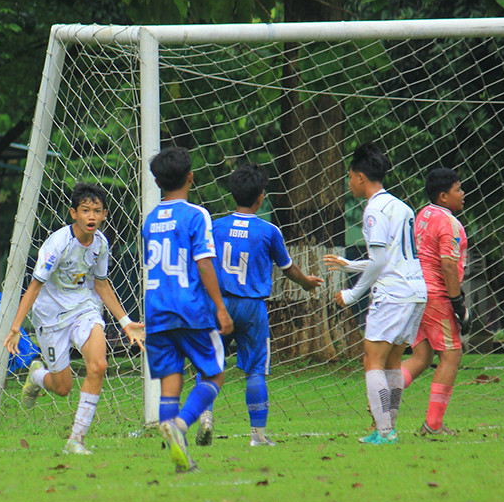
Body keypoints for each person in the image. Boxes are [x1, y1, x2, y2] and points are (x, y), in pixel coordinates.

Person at [4, 183, 145, 456]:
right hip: (51, 317)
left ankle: (76, 440)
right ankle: (37, 376)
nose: (91, 217)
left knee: (99, 364)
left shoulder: (101, 244)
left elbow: (102, 285)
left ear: (104, 215)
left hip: (84, 309)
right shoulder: (57, 244)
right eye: (85, 211)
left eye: (97, 211)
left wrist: (126, 322)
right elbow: (33, 287)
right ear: (73, 213)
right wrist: (16, 326)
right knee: (63, 388)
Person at [200, 163, 323, 448]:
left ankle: (206, 416)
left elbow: (203, 263)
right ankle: (257, 436)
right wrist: (305, 283)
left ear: (232, 194)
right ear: (261, 197)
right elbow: (288, 268)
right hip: (252, 308)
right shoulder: (268, 231)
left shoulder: (215, 227)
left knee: (208, 364)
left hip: (218, 305)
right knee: (255, 370)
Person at [323, 143, 427, 445]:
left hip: (393, 294)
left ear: (360, 177)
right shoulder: (401, 206)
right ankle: (387, 427)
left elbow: (381, 262)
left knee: (373, 360)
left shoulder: (373, 210)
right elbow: (389, 256)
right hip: (414, 291)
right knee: (393, 361)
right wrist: (350, 264)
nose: (348, 182)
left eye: (349, 177)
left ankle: (385, 431)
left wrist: (353, 295)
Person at [141, 146, 233, 472]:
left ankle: (179, 459)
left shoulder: (150, 221)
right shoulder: (196, 215)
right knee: (215, 373)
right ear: (190, 177)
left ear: (157, 181)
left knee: (170, 382)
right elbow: (204, 263)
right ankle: (180, 426)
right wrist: (220, 307)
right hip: (190, 309)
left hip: (156, 310)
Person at [401, 168, 469, 436]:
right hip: (436, 296)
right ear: (443, 196)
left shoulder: (422, 215)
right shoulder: (449, 223)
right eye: (458, 189)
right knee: (452, 355)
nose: (462, 194)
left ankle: (380, 394)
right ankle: (434, 424)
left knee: (421, 356)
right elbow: (448, 265)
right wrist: (456, 302)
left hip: (416, 293)